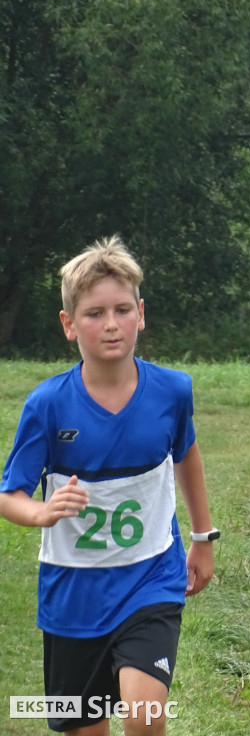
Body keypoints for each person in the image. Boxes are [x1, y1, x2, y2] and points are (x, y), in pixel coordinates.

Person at [0, 235, 218, 735]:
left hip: (150, 579)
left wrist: (203, 538)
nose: (112, 324)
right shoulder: (48, 405)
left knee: (145, 716)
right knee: (84, 727)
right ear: (69, 325)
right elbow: (9, 495)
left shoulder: (172, 390)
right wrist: (42, 511)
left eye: (122, 310)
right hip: (73, 595)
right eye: (95, 313)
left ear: (140, 314)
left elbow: (185, 453)